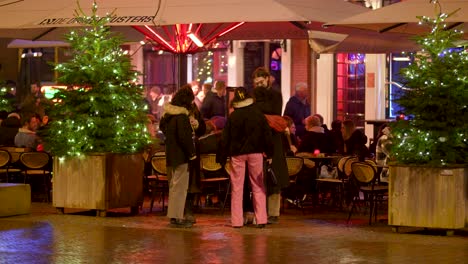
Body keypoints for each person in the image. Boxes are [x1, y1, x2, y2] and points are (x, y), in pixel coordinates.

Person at [218, 87, 273, 228]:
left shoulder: (233, 117)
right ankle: (261, 219)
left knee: (237, 187)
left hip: (237, 154)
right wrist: (270, 153)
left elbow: (225, 138)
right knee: (258, 186)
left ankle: (236, 221)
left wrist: (221, 157)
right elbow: (267, 134)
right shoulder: (258, 114)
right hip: (256, 153)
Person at [252, 67, 288, 224]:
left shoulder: (275, 94)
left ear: (267, 79)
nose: (259, 85)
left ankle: (273, 212)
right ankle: (261, 211)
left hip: (273, 139)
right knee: (260, 177)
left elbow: (273, 111)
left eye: (261, 82)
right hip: (259, 139)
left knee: (273, 176)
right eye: (256, 83)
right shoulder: (255, 95)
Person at [159, 87, 197, 228]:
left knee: (173, 186)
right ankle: (177, 216)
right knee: (180, 188)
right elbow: (184, 138)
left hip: (170, 154)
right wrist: (191, 153)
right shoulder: (182, 117)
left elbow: (164, 129)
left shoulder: (168, 116)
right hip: (181, 156)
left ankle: (174, 216)